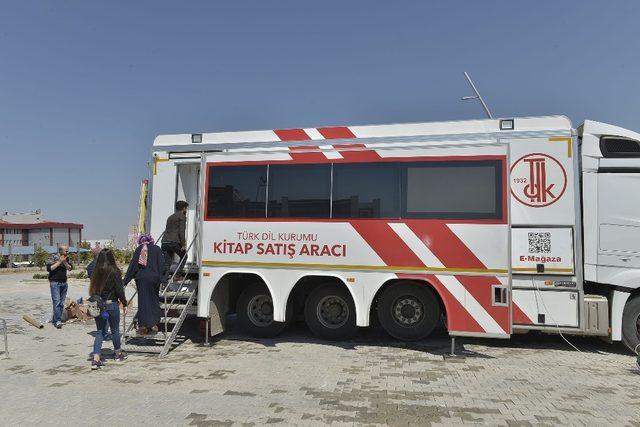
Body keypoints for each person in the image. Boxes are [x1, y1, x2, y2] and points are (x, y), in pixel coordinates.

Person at [89, 248, 128, 370]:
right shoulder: (114, 271)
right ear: (112, 258)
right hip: (111, 305)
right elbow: (119, 289)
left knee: (100, 331)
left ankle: (95, 359)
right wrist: (124, 303)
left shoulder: (95, 271)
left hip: (98, 304)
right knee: (115, 330)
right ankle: (118, 354)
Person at [124, 234, 165, 335]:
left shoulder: (139, 250)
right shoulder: (156, 249)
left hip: (141, 279)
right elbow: (162, 265)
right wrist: (162, 279)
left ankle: (142, 325)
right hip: (153, 279)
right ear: (151, 240)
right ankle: (153, 323)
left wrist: (125, 281)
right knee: (154, 300)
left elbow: (133, 266)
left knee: (143, 302)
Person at [47, 246, 73, 329]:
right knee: (56, 302)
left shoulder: (67, 258)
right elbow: (49, 268)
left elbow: (70, 268)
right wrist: (59, 262)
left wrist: (65, 262)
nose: (67, 252)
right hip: (55, 283)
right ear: (61, 251)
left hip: (64, 283)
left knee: (61, 303)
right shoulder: (52, 257)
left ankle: (57, 319)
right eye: (66, 251)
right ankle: (57, 321)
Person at [162, 200, 188, 282]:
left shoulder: (170, 217)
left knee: (167, 262)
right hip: (174, 242)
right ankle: (177, 275)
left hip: (165, 242)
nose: (186, 210)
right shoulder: (182, 217)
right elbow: (181, 231)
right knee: (184, 256)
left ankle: (164, 279)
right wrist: (183, 244)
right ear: (183, 208)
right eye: (186, 208)